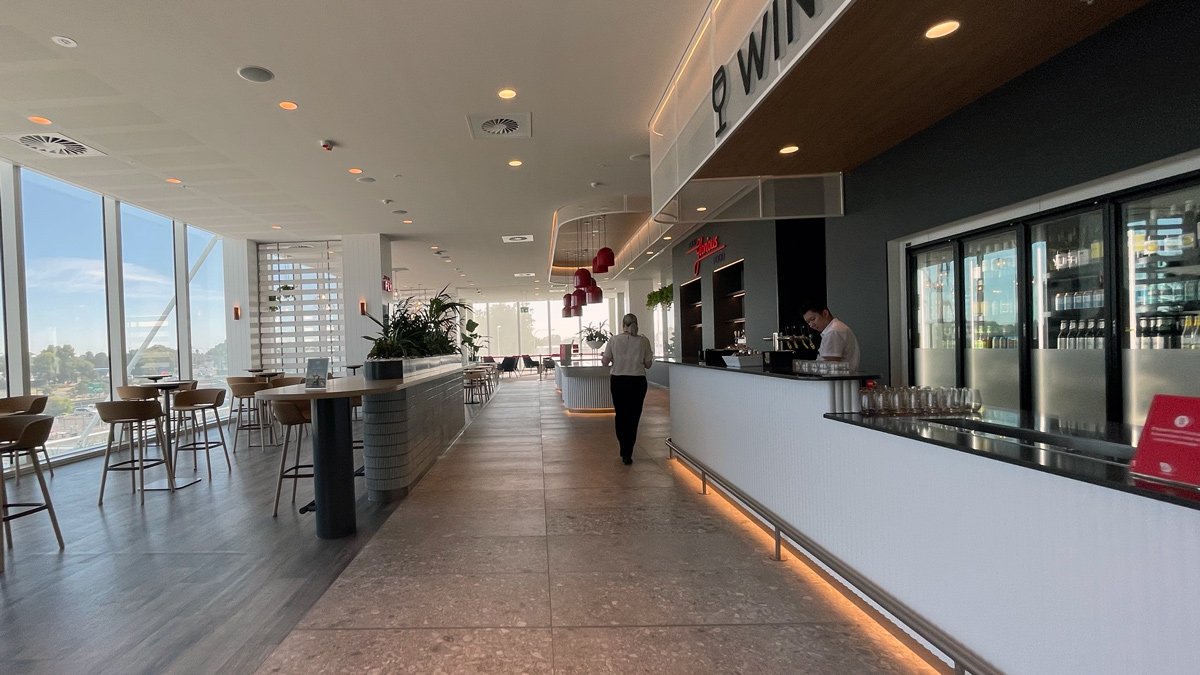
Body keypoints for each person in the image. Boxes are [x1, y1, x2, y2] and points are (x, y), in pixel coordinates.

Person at [601, 313, 654, 465]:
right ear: (636, 324)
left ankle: (623, 447)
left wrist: (611, 359)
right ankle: (628, 451)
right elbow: (648, 364)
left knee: (621, 414)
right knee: (634, 417)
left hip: (618, 381)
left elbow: (605, 362)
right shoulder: (644, 341)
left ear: (622, 325)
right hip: (638, 382)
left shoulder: (614, 340)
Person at [801, 302, 861, 371]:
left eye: (813, 319)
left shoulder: (833, 331)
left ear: (825, 313)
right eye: (808, 322)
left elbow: (830, 366)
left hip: (837, 381)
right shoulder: (835, 328)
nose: (811, 325)